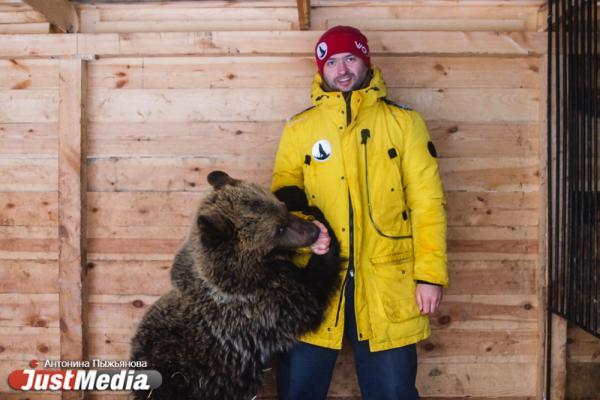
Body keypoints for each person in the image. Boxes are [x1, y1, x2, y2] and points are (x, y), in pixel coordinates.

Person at [271, 26, 448, 400]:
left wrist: (430, 275)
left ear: (366, 60)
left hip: (388, 281)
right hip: (315, 281)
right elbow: (282, 199)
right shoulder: (300, 128)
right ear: (321, 70)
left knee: (394, 392)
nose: (343, 69)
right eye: (331, 62)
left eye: (350, 58)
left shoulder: (404, 123)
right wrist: (311, 231)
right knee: (297, 389)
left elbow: (427, 203)